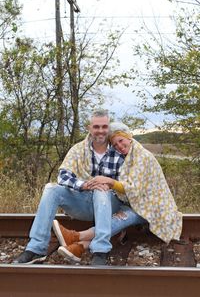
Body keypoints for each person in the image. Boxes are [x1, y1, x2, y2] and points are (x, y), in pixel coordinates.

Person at [13, 110, 145, 266]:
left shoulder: (119, 150)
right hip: (83, 203)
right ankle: (36, 248)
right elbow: (63, 175)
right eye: (96, 126)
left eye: (104, 126)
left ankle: (100, 251)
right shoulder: (78, 150)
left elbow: (132, 181)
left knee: (101, 190)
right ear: (89, 128)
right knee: (51, 189)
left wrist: (105, 184)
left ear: (108, 127)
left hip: (110, 204)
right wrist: (83, 185)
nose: (100, 131)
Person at [52, 122, 183, 263]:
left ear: (129, 137)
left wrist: (110, 182)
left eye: (121, 141)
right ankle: (80, 247)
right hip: (136, 203)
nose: (119, 146)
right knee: (115, 216)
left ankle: (77, 236)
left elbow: (133, 188)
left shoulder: (142, 156)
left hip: (154, 207)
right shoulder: (129, 156)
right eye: (115, 145)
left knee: (122, 217)